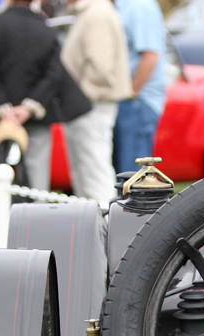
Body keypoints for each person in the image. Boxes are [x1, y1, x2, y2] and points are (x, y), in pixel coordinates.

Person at [0, 0, 91, 248]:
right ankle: (35, 245)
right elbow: (53, 74)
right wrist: (28, 108)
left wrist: (5, 109)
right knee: (38, 182)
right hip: (36, 119)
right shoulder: (44, 28)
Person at [60, 0, 131, 207]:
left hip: (91, 105)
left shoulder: (97, 13)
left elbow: (100, 68)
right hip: (88, 104)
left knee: (94, 174)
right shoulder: (91, 11)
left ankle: (103, 231)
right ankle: (95, 230)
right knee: (86, 173)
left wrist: (78, 96)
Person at [113, 0, 166, 174]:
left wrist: (131, 92)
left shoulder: (139, 5)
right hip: (130, 100)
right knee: (123, 176)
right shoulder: (123, 6)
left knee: (132, 178)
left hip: (138, 101)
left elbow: (150, 56)